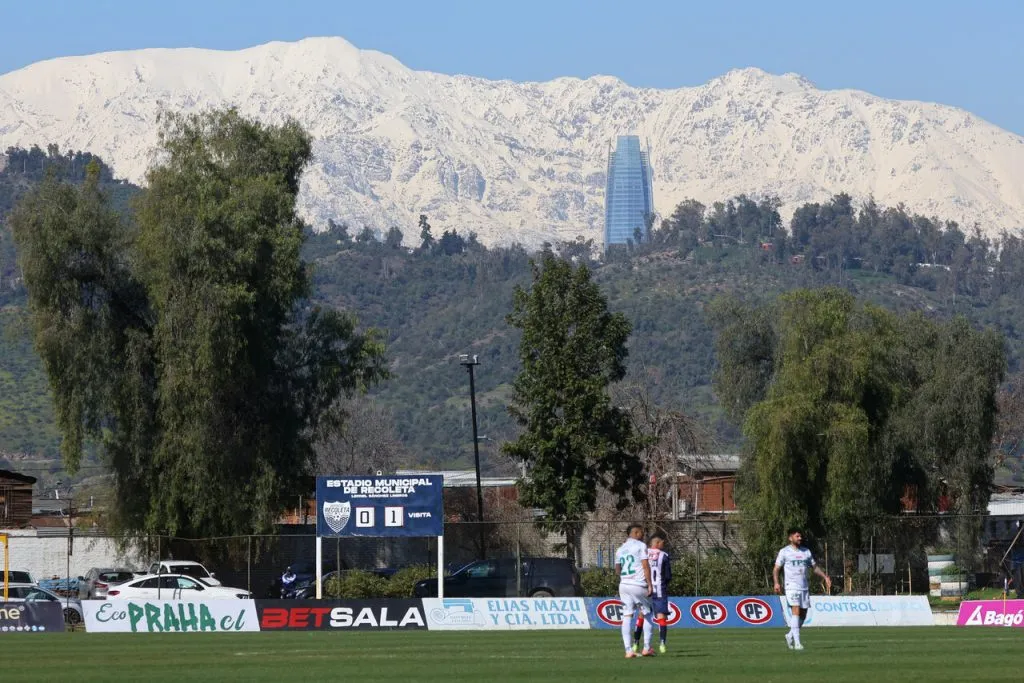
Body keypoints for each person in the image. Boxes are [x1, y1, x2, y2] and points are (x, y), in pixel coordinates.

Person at [773, 527, 831, 651]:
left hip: (804, 587)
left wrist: (825, 577)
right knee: (796, 611)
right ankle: (797, 643)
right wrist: (777, 583)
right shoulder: (784, 552)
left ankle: (790, 635)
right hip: (791, 586)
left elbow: (814, 567)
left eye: (800, 536)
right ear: (790, 538)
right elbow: (776, 569)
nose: (800, 538)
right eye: (797, 536)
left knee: (803, 615)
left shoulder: (806, 552)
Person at [615, 523, 654, 658]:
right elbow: (645, 566)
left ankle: (628, 650)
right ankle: (647, 648)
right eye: (641, 532)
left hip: (624, 584)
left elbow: (617, 569)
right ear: (636, 533)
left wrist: (625, 578)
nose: (643, 535)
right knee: (647, 613)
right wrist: (650, 584)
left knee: (627, 616)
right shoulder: (641, 546)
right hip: (638, 584)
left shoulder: (620, 549)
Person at [632, 532, 671, 653]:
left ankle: (636, 643)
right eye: (663, 542)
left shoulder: (643, 553)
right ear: (658, 543)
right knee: (661, 617)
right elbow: (668, 576)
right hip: (659, 590)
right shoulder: (664, 555)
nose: (664, 545)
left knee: (641, 615)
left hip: (644, 589)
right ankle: (662, 644)